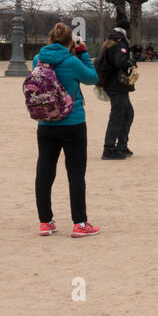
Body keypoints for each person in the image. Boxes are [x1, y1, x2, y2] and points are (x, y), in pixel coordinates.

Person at [32, 23, 100, 238]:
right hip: (73, 122)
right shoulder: (71, 61)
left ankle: (45, 222)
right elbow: (92, 78)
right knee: (76, 174)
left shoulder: (38, 60)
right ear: (71, 41)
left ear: (49, 40)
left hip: (46, 122)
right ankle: (79, 223)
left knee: (45, 172)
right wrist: (83, 53)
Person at [94, 19, 136, 160]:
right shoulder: (120, 42)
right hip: (116, 84)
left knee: (128, 113)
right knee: (119, 114)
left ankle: (121, 145)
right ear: (127, 29)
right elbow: (120, 61)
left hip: (112, 83)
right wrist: (132, 62)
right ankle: (109, 148)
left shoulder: (112, 40)